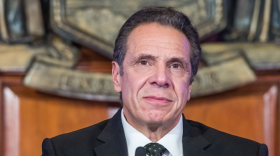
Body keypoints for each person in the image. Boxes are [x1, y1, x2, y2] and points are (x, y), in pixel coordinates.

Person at [42, 7, 268, 156]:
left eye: (175, 66)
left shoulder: (246, 153)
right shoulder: (63, 152)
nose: (161, 79)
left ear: (189, 85)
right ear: (117, 76)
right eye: (144, 62)